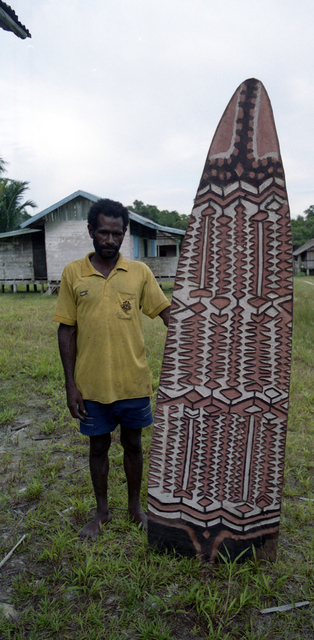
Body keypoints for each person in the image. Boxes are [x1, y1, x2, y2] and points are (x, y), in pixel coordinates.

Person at [53, 198, 171, 540]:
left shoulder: (140, 274)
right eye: (103, 232)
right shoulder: (74, 273)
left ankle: (135, 508)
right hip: (91, 386)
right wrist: (70, 386)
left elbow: (167, 314)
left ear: (125, 233)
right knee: (98, 447)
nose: (109, 239)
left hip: (133, 383)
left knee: (133, 445)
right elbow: (67, 329)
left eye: (116, 233)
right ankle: (102, 511)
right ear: (91, 231)